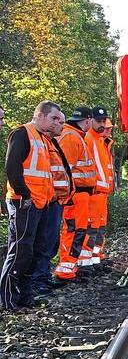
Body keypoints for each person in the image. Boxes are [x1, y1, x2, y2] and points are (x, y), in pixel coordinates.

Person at [1, 101, 62, 312]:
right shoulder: (22, 133)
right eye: (54, 118)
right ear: (40, 115)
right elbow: (12, 166)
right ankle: (7, 300)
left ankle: (25, 297)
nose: (57, 122)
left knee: (34, 251)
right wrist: (24, 194)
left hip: (39, 203)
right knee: (20, 251)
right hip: (24, 203)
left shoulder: (43, 139)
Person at [30, 110, 73, 296]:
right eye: (56, 120)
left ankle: (43, 277)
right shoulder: (38, 141)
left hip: (55, 199)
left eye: (62, 121)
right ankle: (37, 280)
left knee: (50, 241)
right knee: (44, 241)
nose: (61, 125)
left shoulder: (51, 143)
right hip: (46, 200)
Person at [54, 107, 96, 282]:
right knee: (74, 230)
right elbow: (65, 171)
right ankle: (66, 269)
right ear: (87, 120)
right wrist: (67, 195)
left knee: (77, 230)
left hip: (78, 194)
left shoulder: (73, 135)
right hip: (75, 194)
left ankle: (70, 267)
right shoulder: (71, 137)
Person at [80, 106, 114, 275]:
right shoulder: (88, 138)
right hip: (93, 191)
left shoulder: (100, 140)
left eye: (103, 121)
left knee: (99, 226)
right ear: (90, 120)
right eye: (99, 121)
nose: (102, 125)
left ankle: (94, 258)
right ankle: (84, 261)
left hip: (101, 192)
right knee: (91, 227)